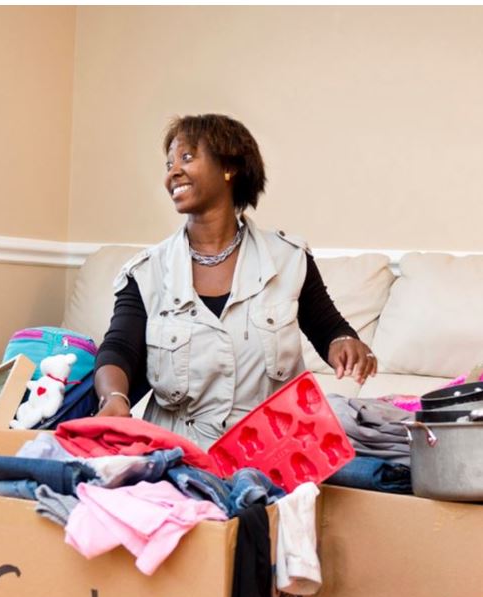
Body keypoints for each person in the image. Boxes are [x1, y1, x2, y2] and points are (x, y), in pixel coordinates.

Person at [94, 113, 376, 450]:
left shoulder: (288, 258)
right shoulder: (145, 272)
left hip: (275, 454)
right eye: (169, 163)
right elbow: (119, 349)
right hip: (178, 457)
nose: (172, 172)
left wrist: (346, 343)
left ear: (229, 167)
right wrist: (113, 398)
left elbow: (329, 329)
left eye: (187, 157)